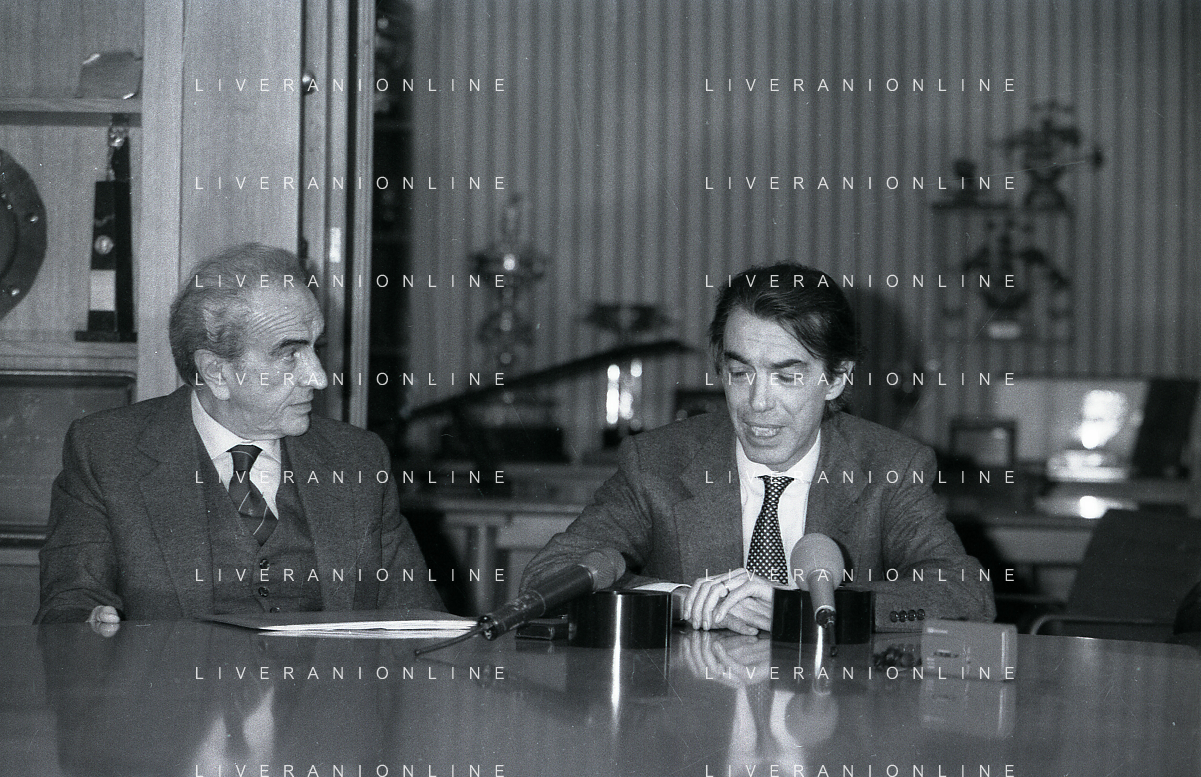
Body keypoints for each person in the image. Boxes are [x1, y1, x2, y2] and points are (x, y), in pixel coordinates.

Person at [521, 263, 994, 635]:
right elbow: (547, 577)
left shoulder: (890, 466)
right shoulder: (657, 463)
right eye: (740, 373)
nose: (757, 403)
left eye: (787, 377)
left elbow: (966, 595)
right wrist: (683, 601)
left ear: (836, 379)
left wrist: (804, 607)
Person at [36, 244, 442, 624]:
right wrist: (92, 628)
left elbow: (419, 622)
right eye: (289, 354)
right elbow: (70, 606)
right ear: (216, 372)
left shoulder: (357, 458)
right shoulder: (106, 453)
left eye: (316, 349)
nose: (318, 378)